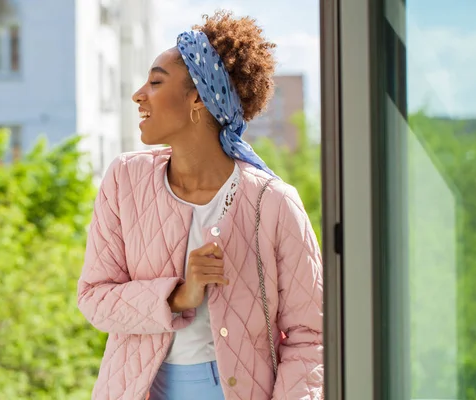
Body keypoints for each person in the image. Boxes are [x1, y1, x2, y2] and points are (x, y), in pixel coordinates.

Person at [77, 10, 323, 400]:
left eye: (156, 82)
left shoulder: (273, 203)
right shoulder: (125, 179)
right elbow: (94, 298)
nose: (138, 94)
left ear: (198, 98)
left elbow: (312, 337)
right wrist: (178, 296)